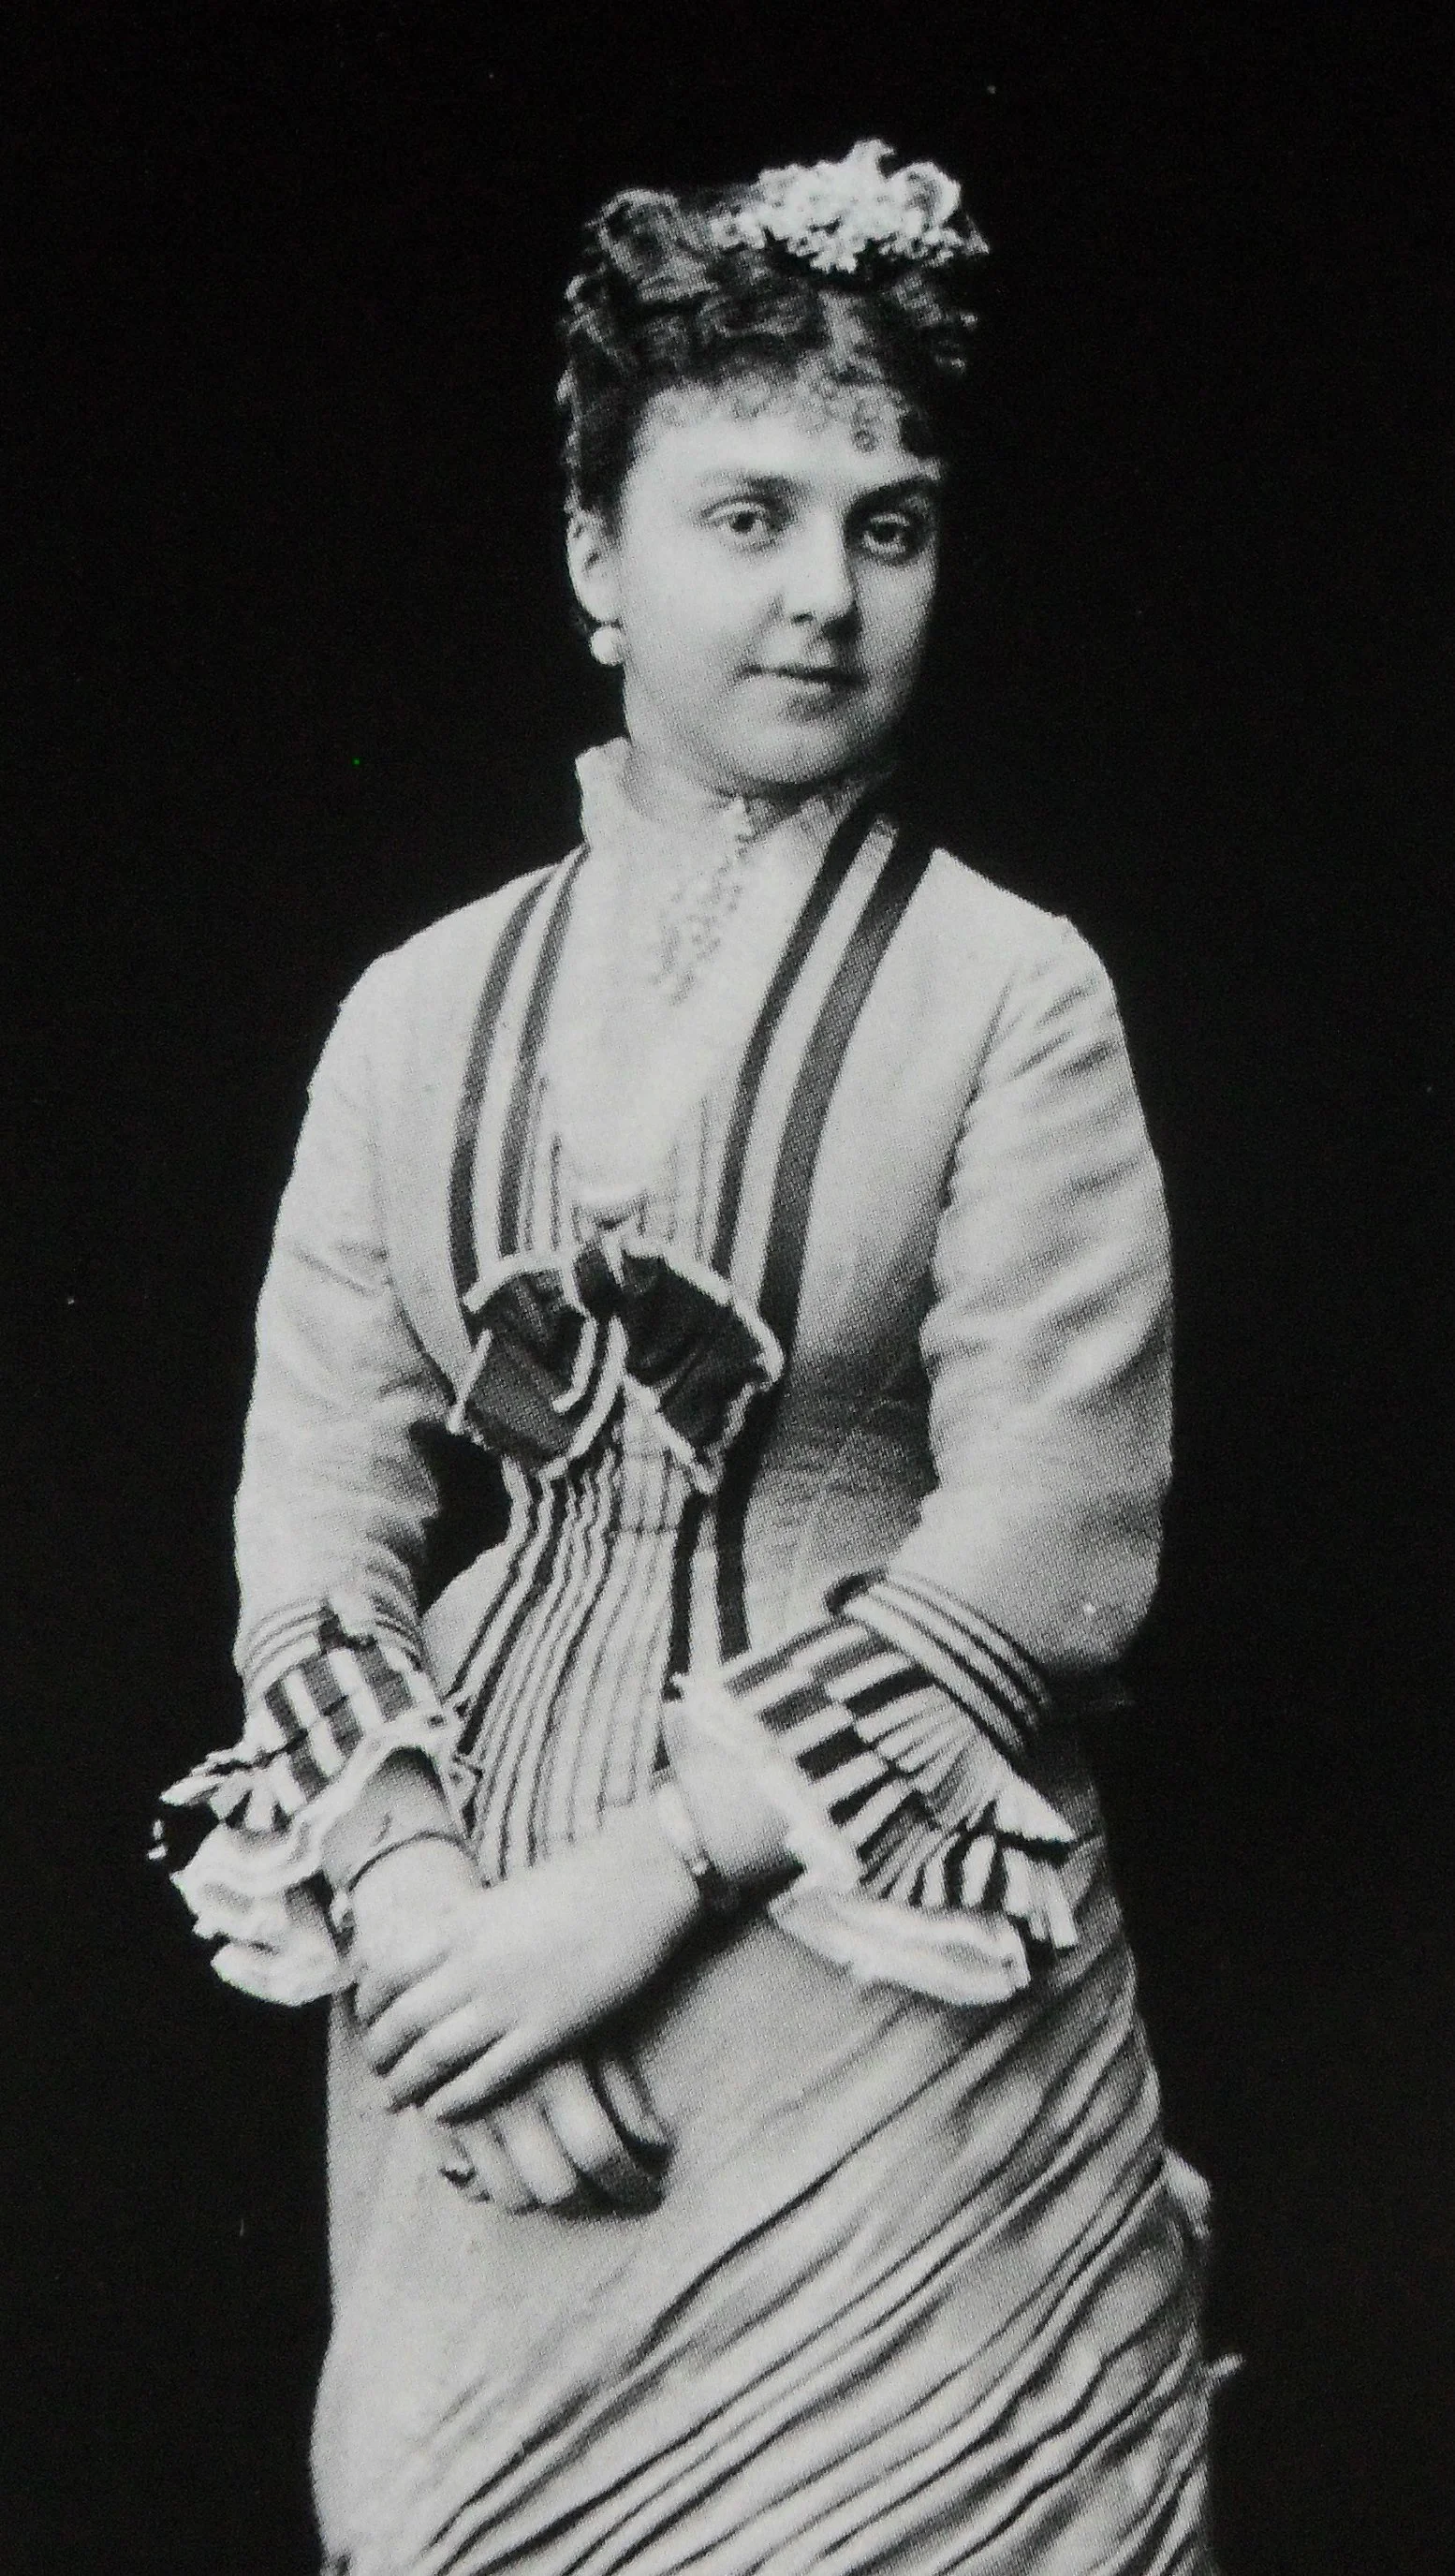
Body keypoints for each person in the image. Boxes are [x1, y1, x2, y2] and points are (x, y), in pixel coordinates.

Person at [159, 139, 1216, 2575]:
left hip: (866, 1945)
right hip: (463, 1934)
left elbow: (1048, 1534)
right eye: (748, 518)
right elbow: (316, 1508)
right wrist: (425, 1928)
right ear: (596, 562)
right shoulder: (415, 1011)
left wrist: (629, 1899)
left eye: (888, 526)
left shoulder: (1013, 995)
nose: (826, 596)